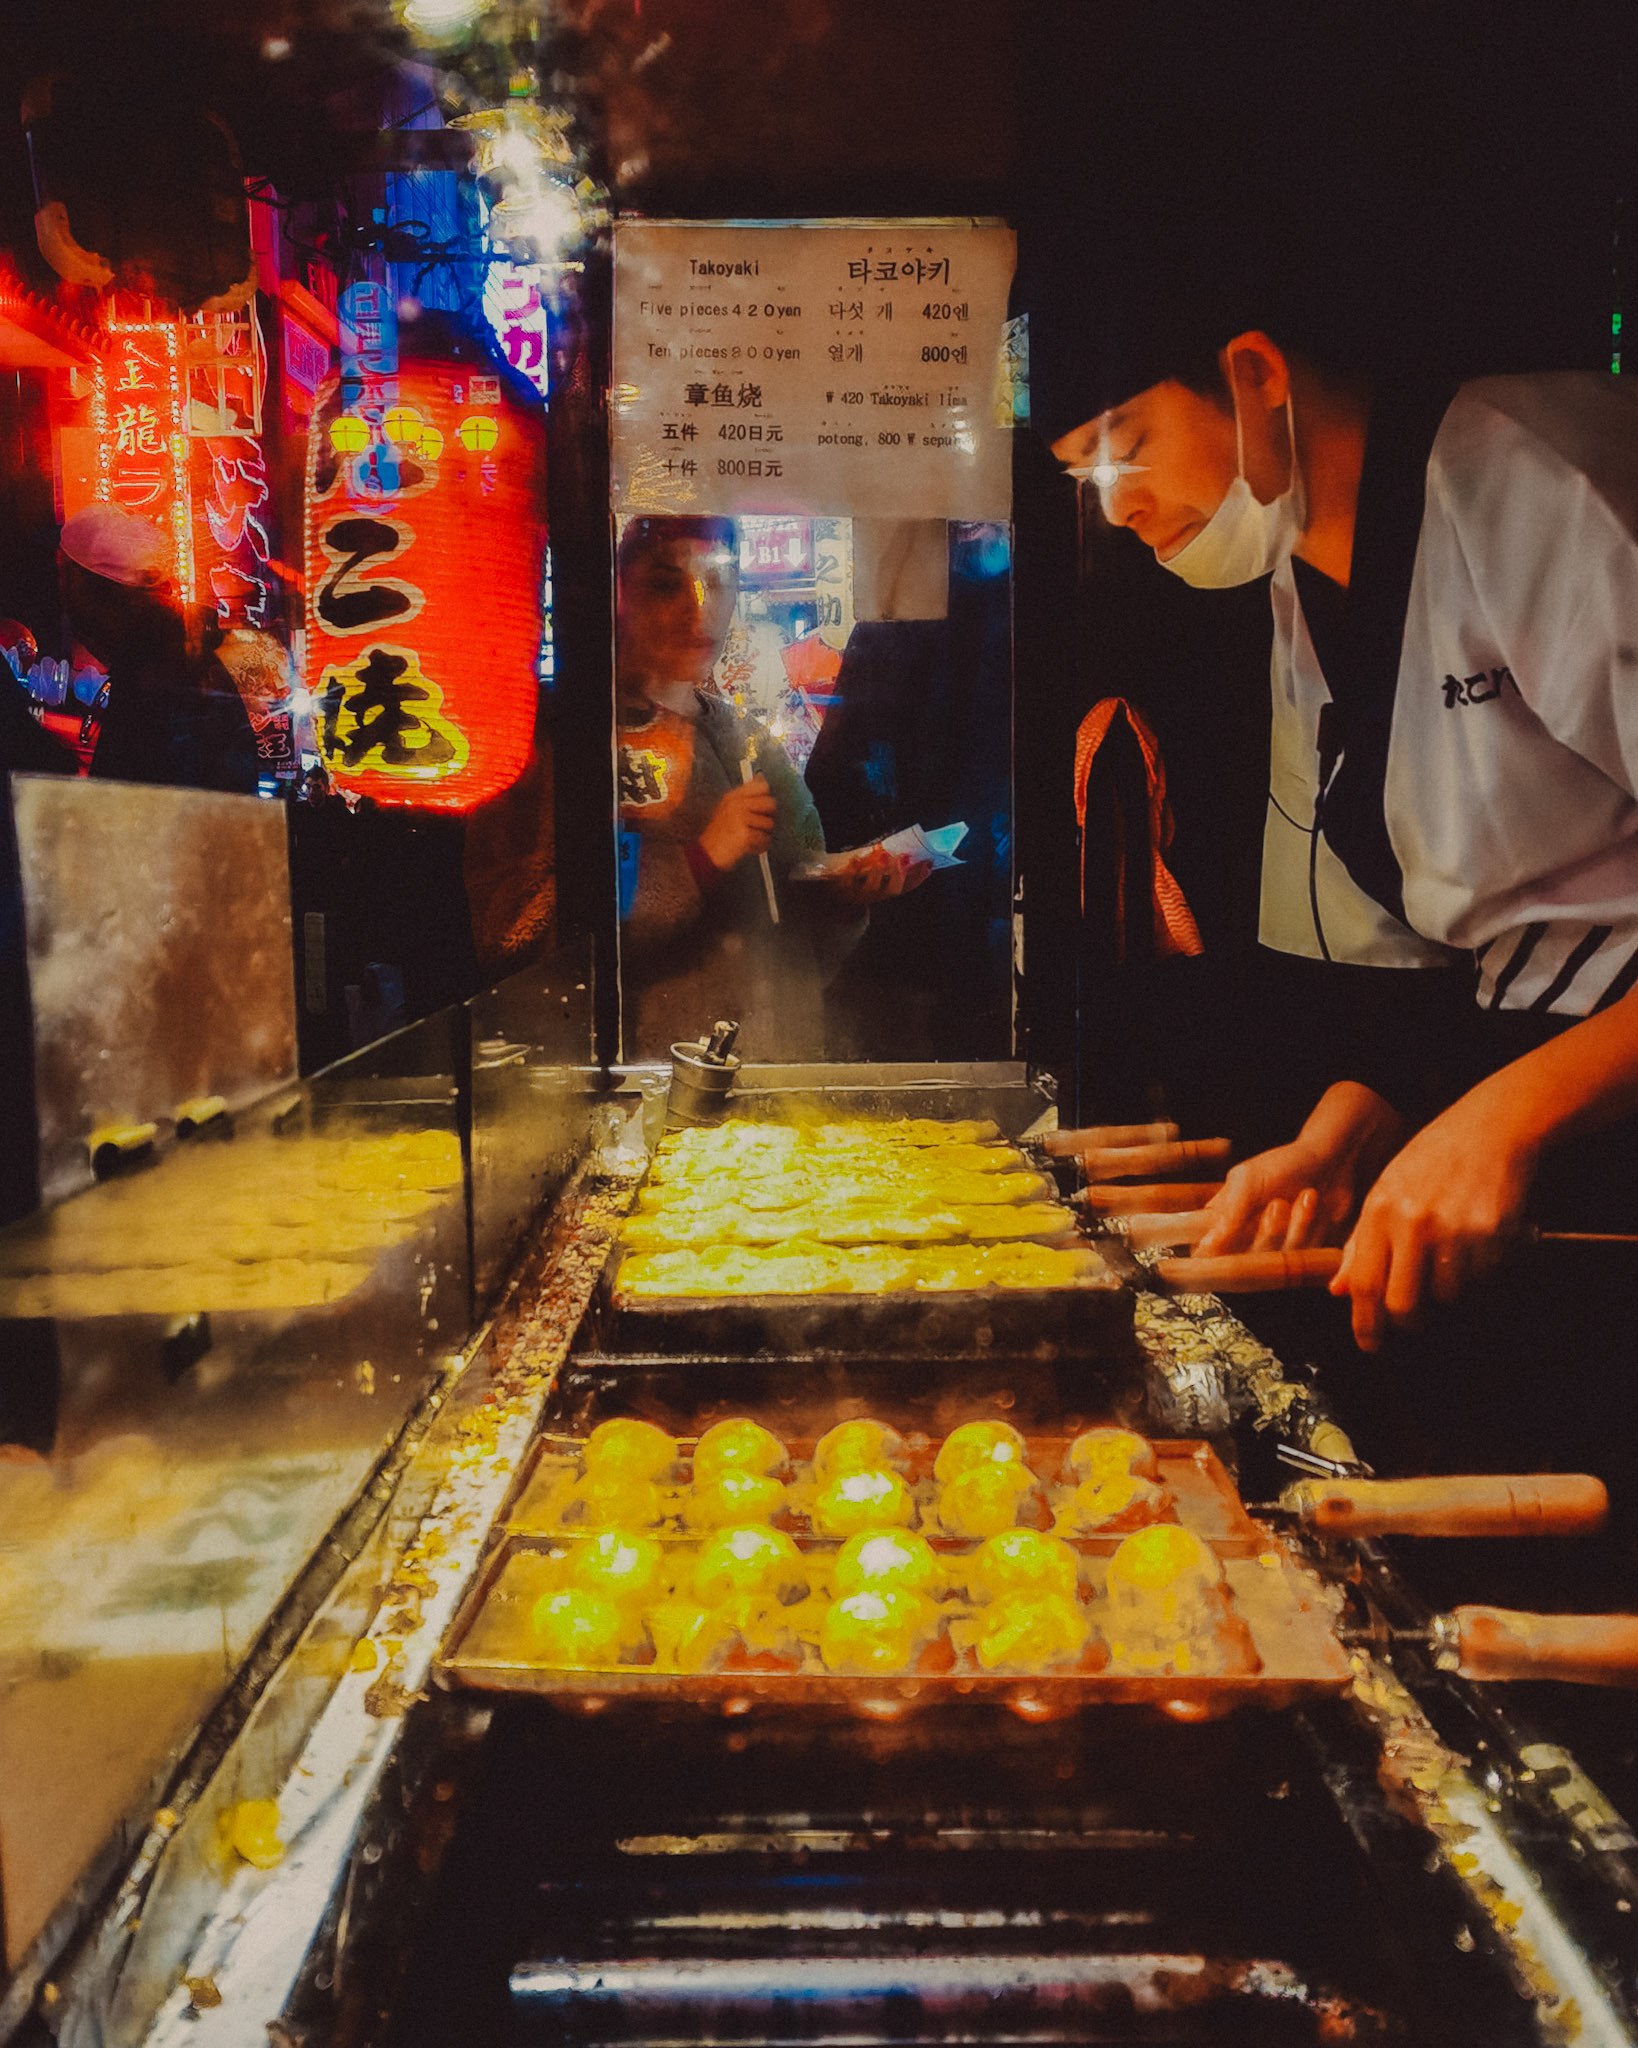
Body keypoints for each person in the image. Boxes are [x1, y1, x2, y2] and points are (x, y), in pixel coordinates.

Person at [1033, 305, 1638, 1349]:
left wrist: (1508, 1117)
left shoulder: (1534, 478)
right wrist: (1361, 1121)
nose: (1118, 507)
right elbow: (1500, 925)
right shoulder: (1302, 571)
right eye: (1086, 477)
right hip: (1535, 1101)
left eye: (1125, 449)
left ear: (1257, 373)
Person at [617, 514, 907, 1059]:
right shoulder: (574, 737)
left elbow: (799, 927)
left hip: (782, 1074)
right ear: (618, 592)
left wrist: (842, 897)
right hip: (657, 1083)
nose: (698, 608)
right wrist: (702, 859)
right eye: (665, 583)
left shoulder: (747, 738)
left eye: (720, 581)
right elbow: (530, 935)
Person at [57, 503, 259, 794]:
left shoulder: (159, 673)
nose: (67, 609)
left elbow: (148, 798)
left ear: (104, 597)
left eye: (69, 584)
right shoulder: (166, 657)